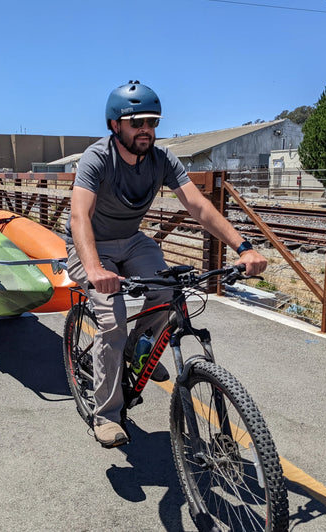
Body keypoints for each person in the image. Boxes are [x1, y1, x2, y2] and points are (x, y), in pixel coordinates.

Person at [65, 81, 267, 448]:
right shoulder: (97, 158)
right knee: (112, 321)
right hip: (90, 245)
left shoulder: (162, 159)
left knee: (170, 288)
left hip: (131, 240)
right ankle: (106, 414)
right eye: (137, 123)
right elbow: (80, 216)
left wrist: (244, 247)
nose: (146, 130)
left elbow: (199, 206)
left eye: (152, 123)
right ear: (115, 126)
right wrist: (94, 269)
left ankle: (134, 346)